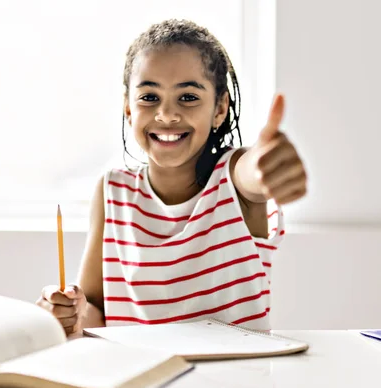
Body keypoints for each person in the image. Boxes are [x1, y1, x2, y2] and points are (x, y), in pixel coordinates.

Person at [36, 19, 307, 334]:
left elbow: (254, 173)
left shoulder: (233, 179)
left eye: (188, 97)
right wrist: (70, 314)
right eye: (149, 97)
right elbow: (96, 309)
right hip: (141, 377)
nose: (166, 115)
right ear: (128, 108)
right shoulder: (113, 190)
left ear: (219, 108)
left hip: (237, 380)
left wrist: (267, 165)